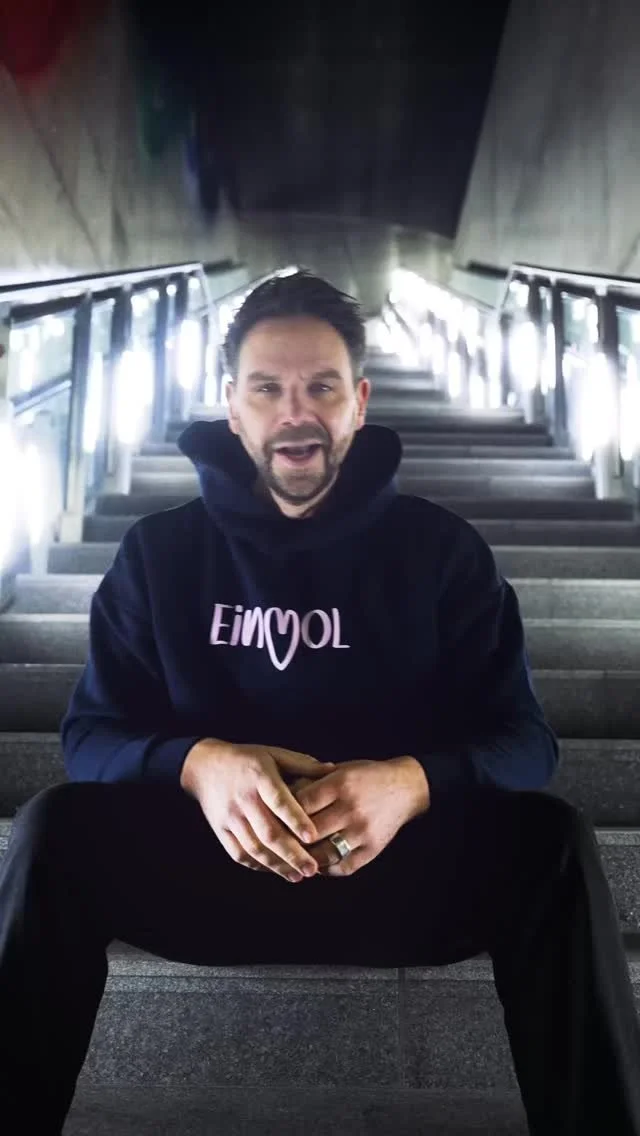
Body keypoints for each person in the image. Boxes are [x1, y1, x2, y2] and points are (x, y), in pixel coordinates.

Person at [0, 270, 638, 1135]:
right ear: (233, 407)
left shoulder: (443, 551)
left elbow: (526, 742)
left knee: (553, 842)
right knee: (52, 830)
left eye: (322, 387)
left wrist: (412, 783)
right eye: (267, 388)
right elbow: (89, 736)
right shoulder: (158, 554)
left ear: (359, 402)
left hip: (397, 875)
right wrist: (198, 766)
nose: (295, 413)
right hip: (209, 870)